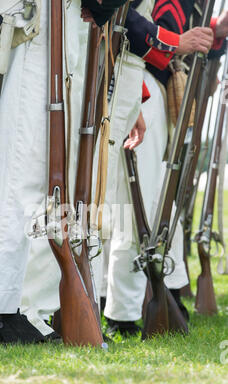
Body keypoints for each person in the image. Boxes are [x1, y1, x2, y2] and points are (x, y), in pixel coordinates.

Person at [0, 0, 128, 347]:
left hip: (50, 25)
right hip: (24, 23)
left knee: (32, 178)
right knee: (14, 170)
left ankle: (15, 311)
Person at [103, 0, 228, 336]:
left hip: (152, 92)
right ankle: (122, 313)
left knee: (153, 203)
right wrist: (138, 94)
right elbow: (128, 30)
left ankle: (158, 297)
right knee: (137, 206)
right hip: (142, 89)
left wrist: (214, 36)